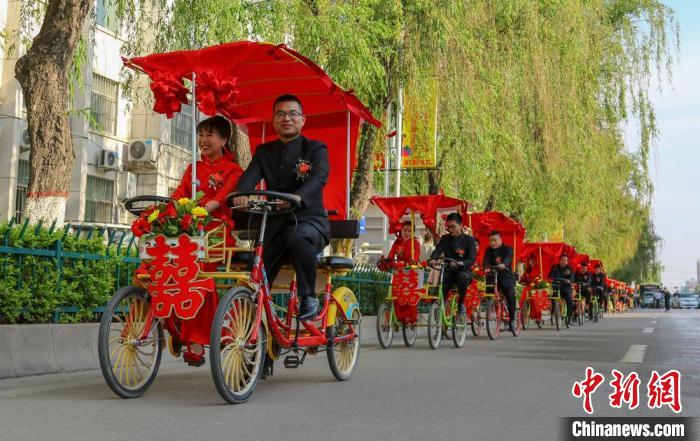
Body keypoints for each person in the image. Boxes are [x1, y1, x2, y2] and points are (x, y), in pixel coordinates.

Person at [235, 94, 330, 321]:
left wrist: (296, 197)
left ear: (302, 119)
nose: (287, 118)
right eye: (281, 114)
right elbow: (249, 177)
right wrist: (243, 194)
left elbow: (319, 177)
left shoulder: (316, 149)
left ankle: (308, 298)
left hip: (310, 221)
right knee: (256, 263)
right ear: (274, 120)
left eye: (292, 113)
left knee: (298, 236)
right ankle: (255, 317)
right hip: (275, 224)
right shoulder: (264, 152)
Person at [169, 115, 243, 366]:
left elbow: (221, 198)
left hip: (217, 235)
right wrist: (166, 213)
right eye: (201, 134)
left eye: (210, 134)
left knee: (199, 275)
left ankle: (197, 340)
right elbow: (178, 197)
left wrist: (201, 210)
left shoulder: (234, 170)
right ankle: (174, 320)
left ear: (223, 140)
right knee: (156, 265)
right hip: (191, 232)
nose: (203, 139)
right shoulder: (193, 169)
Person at [428, 213, 477, 315]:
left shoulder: (470, 240)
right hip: (447, 271)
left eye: (452, 227)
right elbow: (437, 251)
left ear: (460, 225)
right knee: (441, 290)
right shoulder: (445, 239)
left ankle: (461, 303)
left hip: (463, 271)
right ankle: (440, 312)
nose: (450, 229)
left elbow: (471, 259)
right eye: (447, 227)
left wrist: (460, 264)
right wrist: (433, 259)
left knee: (462, 277)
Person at [482, 230, 519, 332]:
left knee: (511, 296)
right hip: (493, 276)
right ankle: (491, 305)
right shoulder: (488, 250)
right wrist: (485, 267)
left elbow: (508, 258)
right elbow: (485, 261)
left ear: (500, 239)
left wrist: (504, 264)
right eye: (490, 240)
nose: (492, 243)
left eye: (494, 240)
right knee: (488, 294)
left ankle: (512, 320)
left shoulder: (508, 249)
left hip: (506, 276)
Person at [548, 254, 575, 326]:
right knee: (552, 297)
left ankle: (569, 318)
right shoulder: (554, 267)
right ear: (559, 260)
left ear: (567, 261)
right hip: (556, 286)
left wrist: (569, 281)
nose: (564, 262)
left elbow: (572, 278)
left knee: (570, 301)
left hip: (566, 287)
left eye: (565, 260)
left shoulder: (570, 268)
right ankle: (553, 310)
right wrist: (550, 279)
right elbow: (550, 276)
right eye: (562, 260)